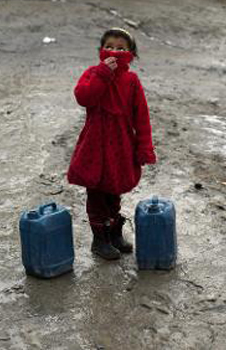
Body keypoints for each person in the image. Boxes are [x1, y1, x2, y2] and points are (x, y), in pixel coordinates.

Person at [67, 27, 156, 260]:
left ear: (131, 55)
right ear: (100, 51)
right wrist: (103, 74)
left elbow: (142, 117)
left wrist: (144, 147)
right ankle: (100, 240)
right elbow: (84, 97)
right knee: (96, 193)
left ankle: (114, 231)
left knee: (114, 191)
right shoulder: (93, 73)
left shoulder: (132, 81)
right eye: (109, 46)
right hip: (94, 145)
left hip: (121, 146)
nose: (114, 51)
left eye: (120, 48)